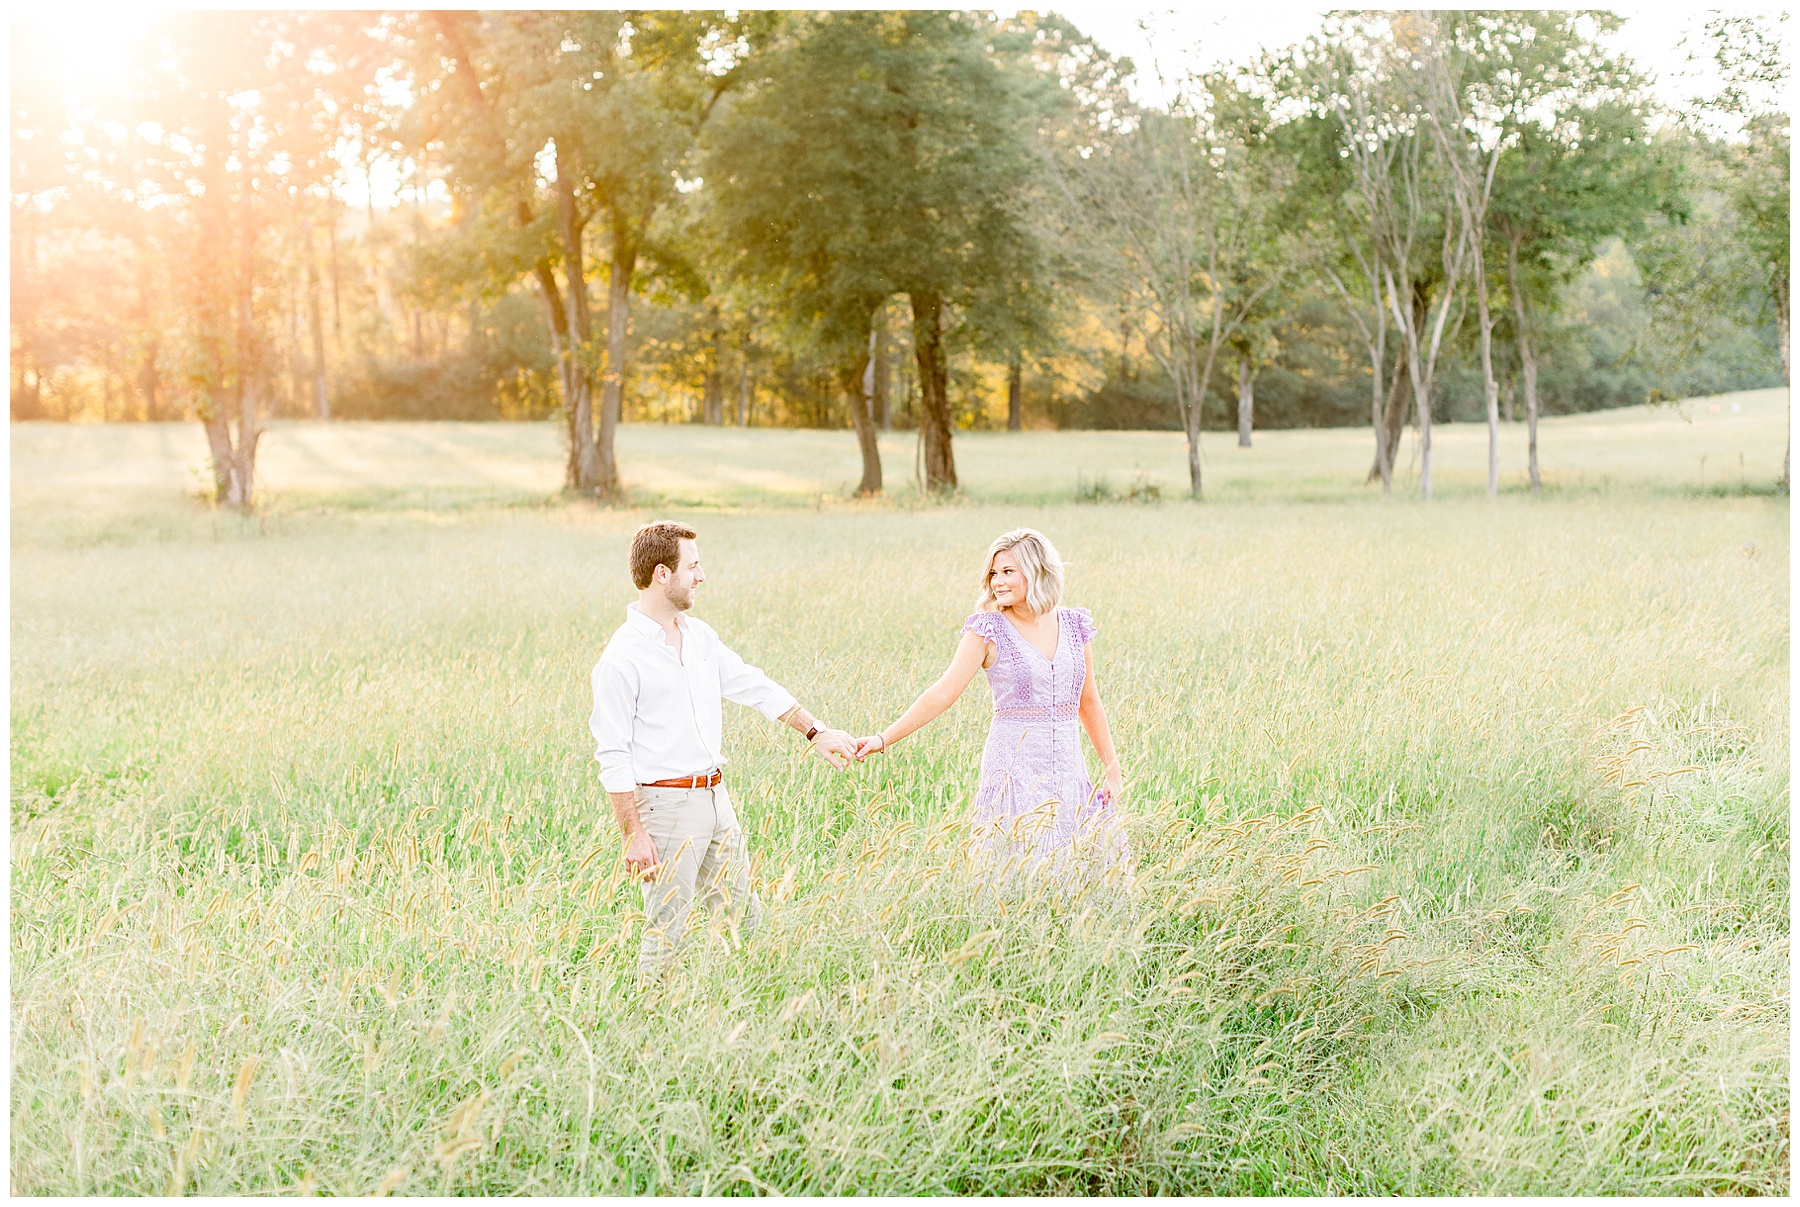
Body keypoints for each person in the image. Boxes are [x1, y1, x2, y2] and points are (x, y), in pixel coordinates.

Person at [590, 520, 859, 982]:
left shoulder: (699, 637)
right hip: (665, 805)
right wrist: (633, 834)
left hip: (716, 799)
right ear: (661, 574)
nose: (701, 575)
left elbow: (753, 685)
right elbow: (612, 755)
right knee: (666, 929)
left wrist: (816, 732)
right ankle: (648, 1026)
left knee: (743, 916)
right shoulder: (621, 658)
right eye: (692, 566)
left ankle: (748, 1002)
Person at [854, 528, 1128, 879]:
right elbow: (943, 692)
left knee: (1078, 870)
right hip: (1013, 770)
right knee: (1017, 871)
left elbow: (1088, 702)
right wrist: (882, 739)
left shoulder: (1074, 625)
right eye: (993, 573)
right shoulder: (987, 631)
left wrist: (1112, 767)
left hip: (1068, 769)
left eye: (1008, 571)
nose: (997, 581)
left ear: (1037, 570)